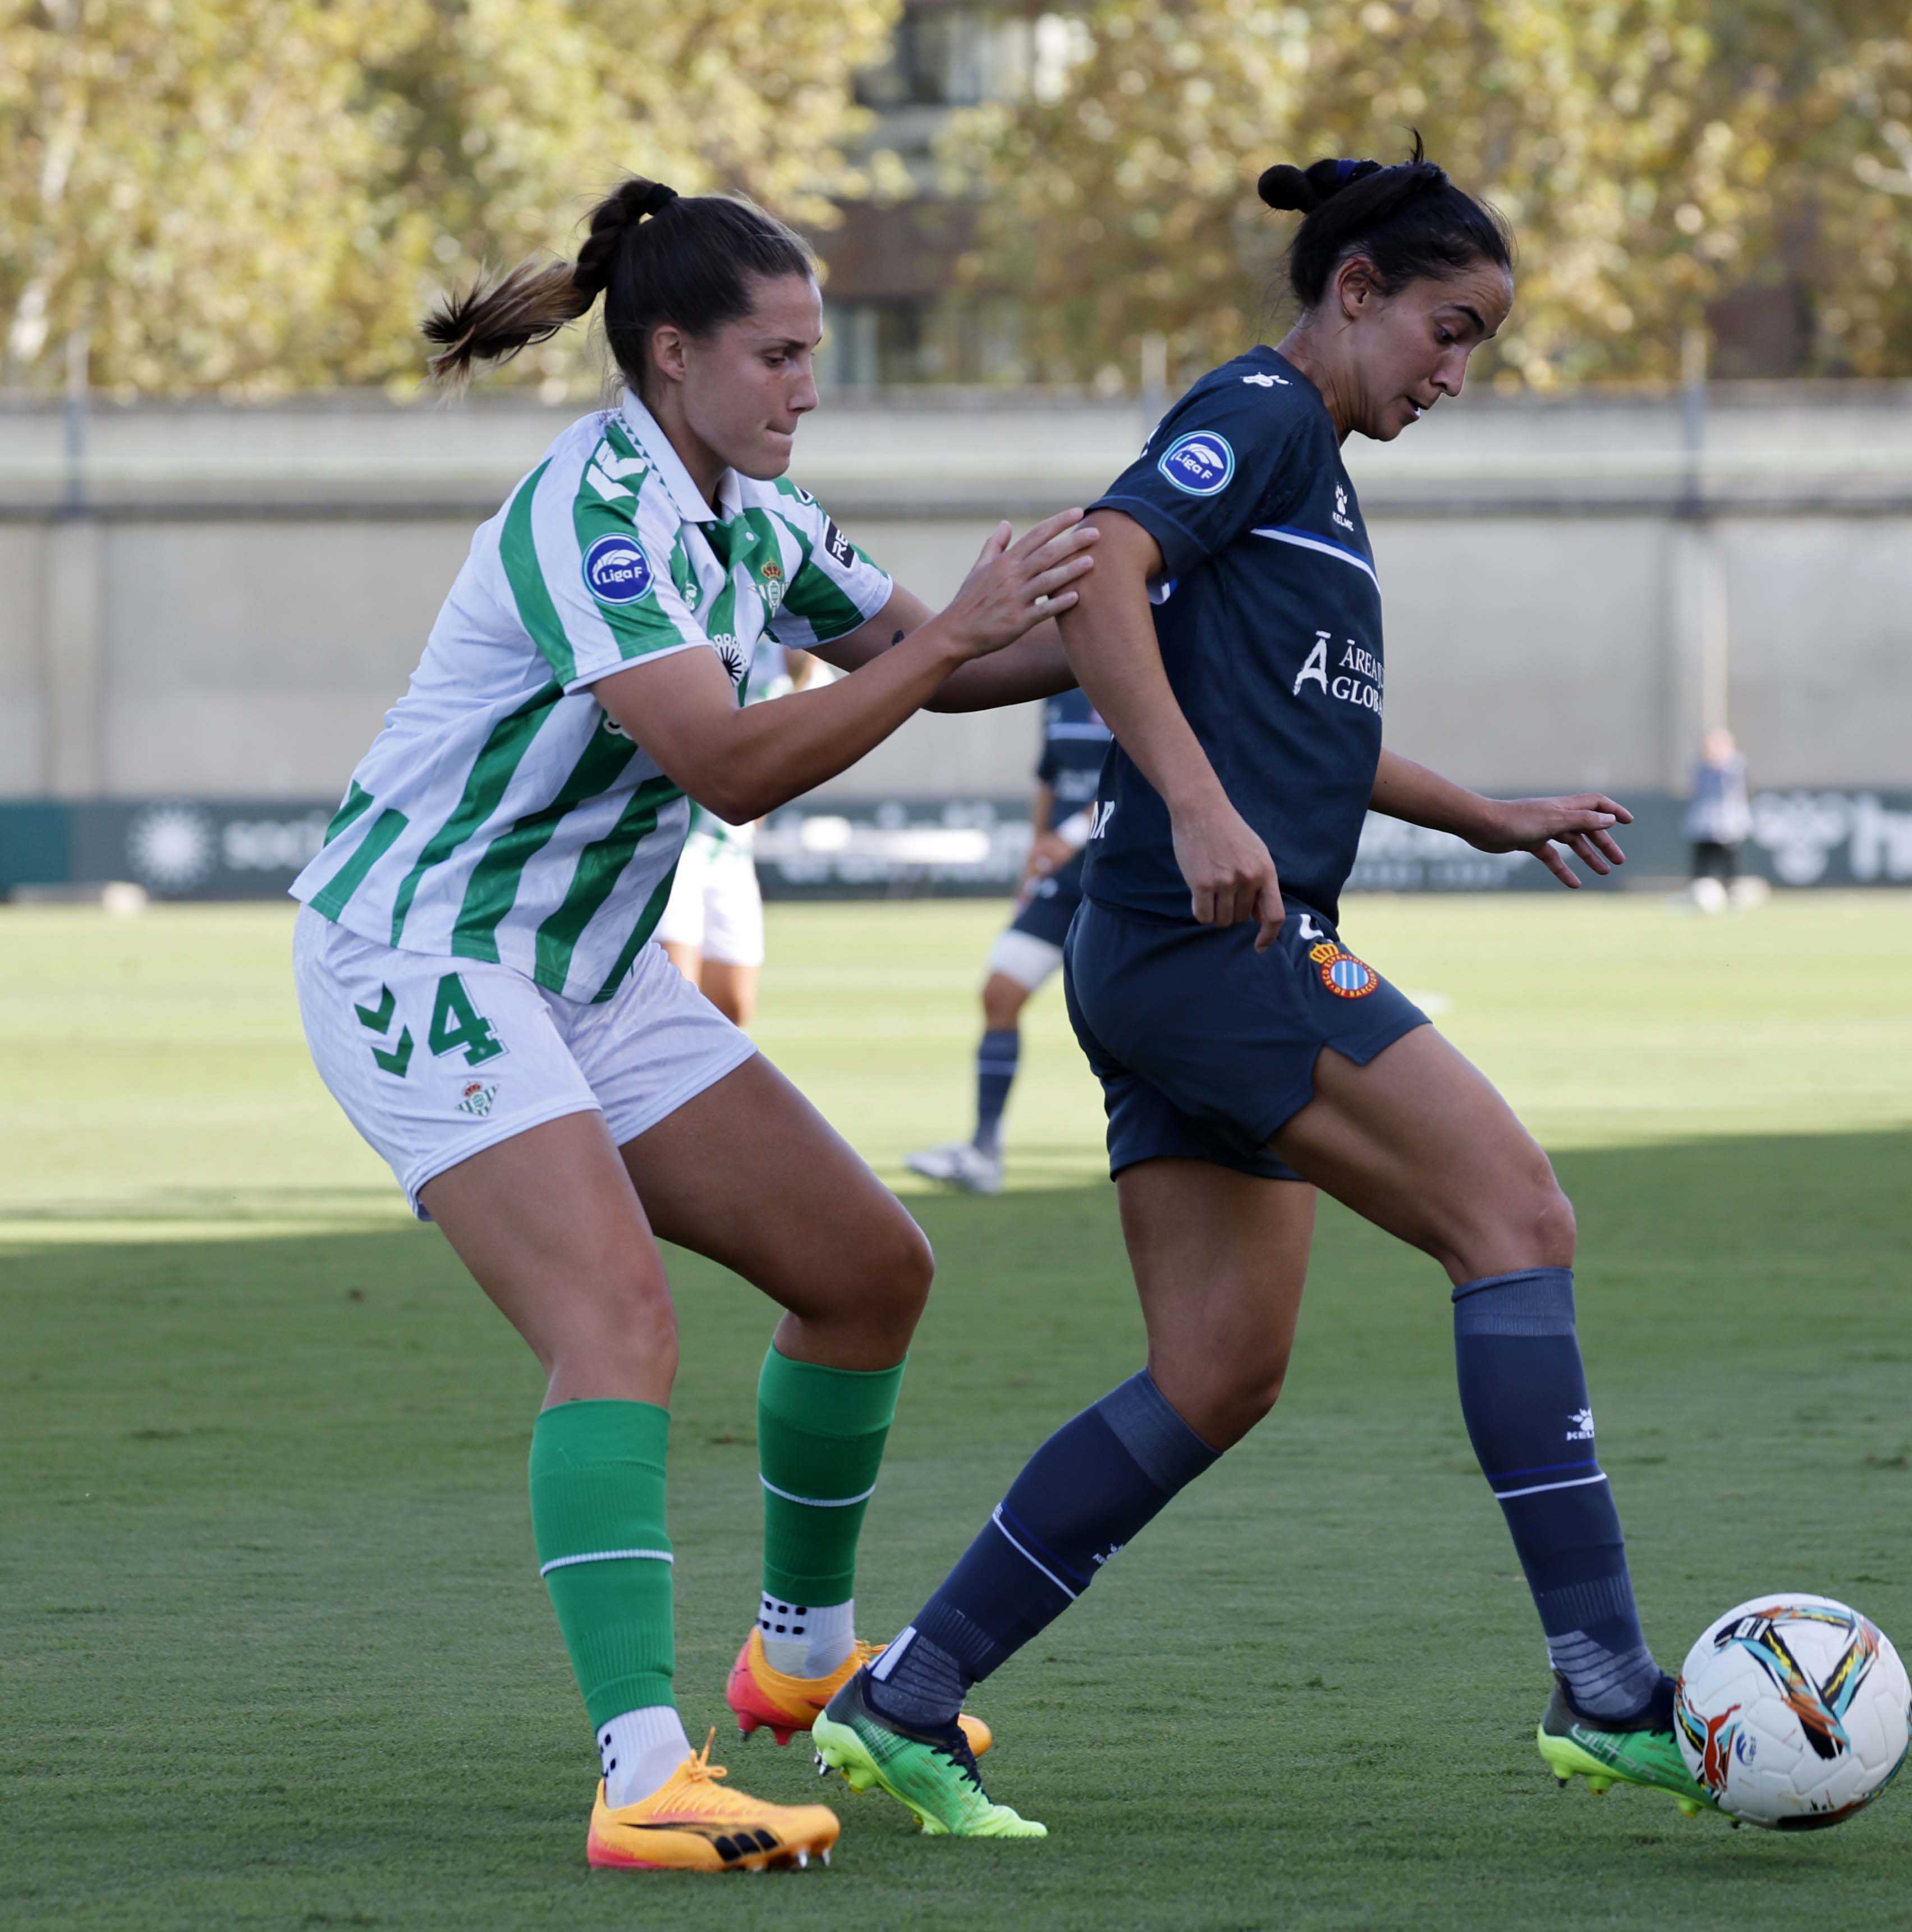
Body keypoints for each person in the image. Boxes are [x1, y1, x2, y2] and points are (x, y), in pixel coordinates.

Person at [812, 146, 1707, 1842]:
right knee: (1513, 1214)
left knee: (1217, 1368)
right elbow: (1121, 575)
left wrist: (1487, 815)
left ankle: (906, 1694)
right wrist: (1200, 800)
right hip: (1208, 933)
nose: (1455, 374)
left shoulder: (1316, 480)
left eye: (1480, 348)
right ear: (1353, 289)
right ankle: (1603, 1684)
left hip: (1158, 949)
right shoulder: (1263, 412)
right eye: (1447, 330)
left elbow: (1261, 711)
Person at [286, 179, 1097, 1872]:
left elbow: (932, 660)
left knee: (869, 1269)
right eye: (781, 355)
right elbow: (729, 762)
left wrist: (1124, 594)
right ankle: (644, 1768)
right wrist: (952, 628)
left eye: (813, 356)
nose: (810, 385)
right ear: (674, 355)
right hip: (421, 957)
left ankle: (799, 1663)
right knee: (619, 1321)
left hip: (582, 971)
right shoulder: (597, 511)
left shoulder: (756, 509)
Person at [906, 687, 1113, 1192]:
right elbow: (1049, 777)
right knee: (1000, 992)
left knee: (1139, 1018)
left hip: (1119, 877)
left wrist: (1067, 839)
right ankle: (983, 1152)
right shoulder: (1062, 690)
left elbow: (1145, 775)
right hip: (1059, 886)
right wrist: (1034, 854)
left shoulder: (1150, 668)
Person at [653, 636, 824, 1026]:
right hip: (676, 845)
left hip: (731, 852)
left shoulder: (817, 679)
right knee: (673, 1005)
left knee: (733, 1008)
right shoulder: (739, 643)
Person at [1679, 725, 1755, 914]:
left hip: (1727, 821)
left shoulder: (1734, 766)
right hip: (1705, 821)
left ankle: (1732, 895)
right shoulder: (1701, 768)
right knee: (1702, 859)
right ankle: (1696, 893)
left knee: (1729, 859)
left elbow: (1734, 789)